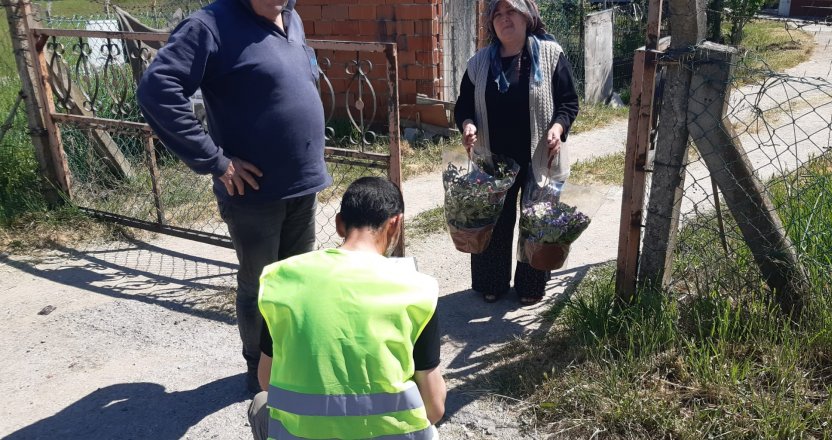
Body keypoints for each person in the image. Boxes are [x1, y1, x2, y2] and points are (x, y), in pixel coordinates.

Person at [136, 0, 330, 393]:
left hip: (302, 183)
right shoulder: (210, 25)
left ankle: (290, 360)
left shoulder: (291, 19)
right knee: (260, 285)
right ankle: (259, 372)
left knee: (296, 281)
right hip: (253, 192)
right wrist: (216, 161)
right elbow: (157, 91)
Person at [247, 177, 447, 440]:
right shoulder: (417, 288)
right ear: (396, 224)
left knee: (260, 403)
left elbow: (266, 380)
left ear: (340, 224)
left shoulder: (281, 280)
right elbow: (433, 408)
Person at [454, 0, 580, 305]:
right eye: (497, 14)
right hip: (493, 158)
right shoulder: (478, 63)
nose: (503, 18)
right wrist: (468, 124)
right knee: (495, 221)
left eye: (510, 11)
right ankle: (492, 282)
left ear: (527, 16)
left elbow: (568, 102)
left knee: (536, 220)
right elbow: (463, 107)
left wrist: (558, 128)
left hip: (538, 155)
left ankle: (531, 285)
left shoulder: (550, 55)